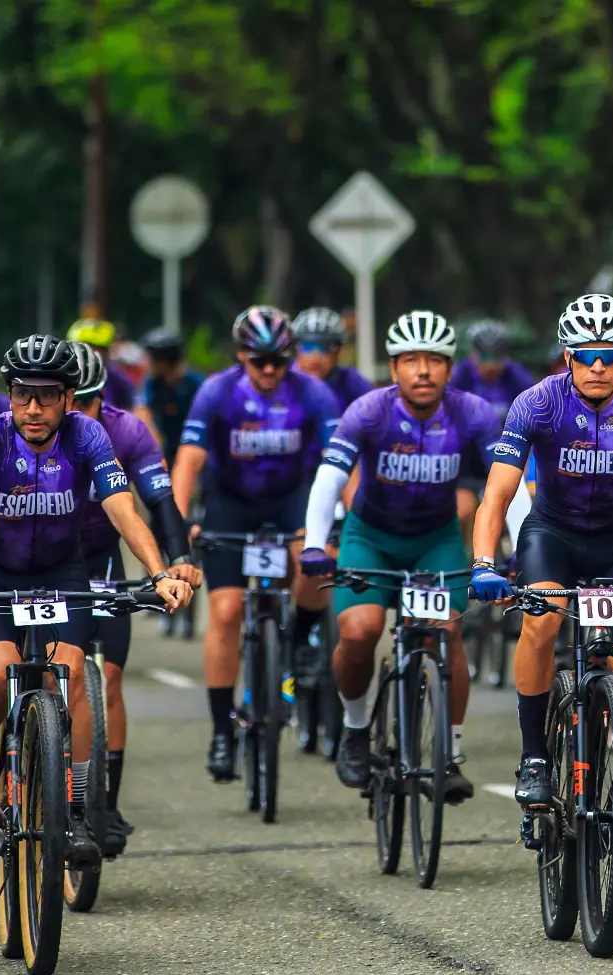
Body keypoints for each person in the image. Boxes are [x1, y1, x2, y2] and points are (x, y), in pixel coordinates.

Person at [0, 334, 192, 864]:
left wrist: (160, 573)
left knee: (70, 677)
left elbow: (122, 509)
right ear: (9, 395)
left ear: (68, 398)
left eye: (47, 396)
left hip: (60, 571)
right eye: (23, 394)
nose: (33, 408)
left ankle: (75, 809)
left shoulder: (87, 436)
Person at [299, 310, 532, 802]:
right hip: (370, 537)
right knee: (359, 632)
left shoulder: (473, 413)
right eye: (410, 360)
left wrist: (524, 547)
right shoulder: (369, 410)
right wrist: (317, 543)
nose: (423, 370)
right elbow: (330, 478)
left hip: (435, 541)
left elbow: (504, 483)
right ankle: (355, 728)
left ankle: (450, 754)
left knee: (446, 634)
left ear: (450, 367)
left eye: (434, 360)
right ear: (393, 367)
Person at [170, 305, 341, 780]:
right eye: (259, 360)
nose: (269, 370)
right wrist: (176, 525)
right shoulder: (217, 391)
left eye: (279, 360)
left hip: (290, 499)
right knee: (226, 613)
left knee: (317, 561)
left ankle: (301, 638)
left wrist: (349, 516)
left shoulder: (313, 392)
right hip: (231, 504)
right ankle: (221, 732)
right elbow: (187, 462)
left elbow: (339, 462)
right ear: (240, 356)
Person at [470, 293, 613, 805]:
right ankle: (535, 755)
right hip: (554, 534)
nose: (598, 366)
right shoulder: (537, 402)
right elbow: (497, 495)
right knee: (542, 621)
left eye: (610, 355)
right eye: (587, 355)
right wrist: (484, 563)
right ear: (568, 357)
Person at [68, 341, 200, 854]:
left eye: (87, 401)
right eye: (68, 400)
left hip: (101, 561)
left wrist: (177, 557)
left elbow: (159, 499)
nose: (76, 412)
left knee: (110, 678)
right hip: (39, 563)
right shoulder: (29, 434)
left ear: (104, 398)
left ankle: (105, 803)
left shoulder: (125, 432)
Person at [450, 319, 535, 539]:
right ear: (473, 355)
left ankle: (513, 547)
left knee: (521, 500)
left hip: (509, 452)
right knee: (462, 511)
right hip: (467, 457)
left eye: (497, 358)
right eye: (485, 358)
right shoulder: (459, 378)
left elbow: (535, 421)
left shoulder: (518, 378)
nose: (491, 366)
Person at [140, 327, 203, 467]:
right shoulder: (153, 384)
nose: (148, 363)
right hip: (168, 452)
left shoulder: (195, 385)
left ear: (165, 361)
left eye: (152, 359)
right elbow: (145, 415)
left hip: (196, 451)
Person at [292, 307, 372, 413]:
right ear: (296, 350)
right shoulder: (280, 379)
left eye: (325, 347)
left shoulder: (353, 384)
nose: (315, 358)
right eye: (308, 346)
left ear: (339, 352)